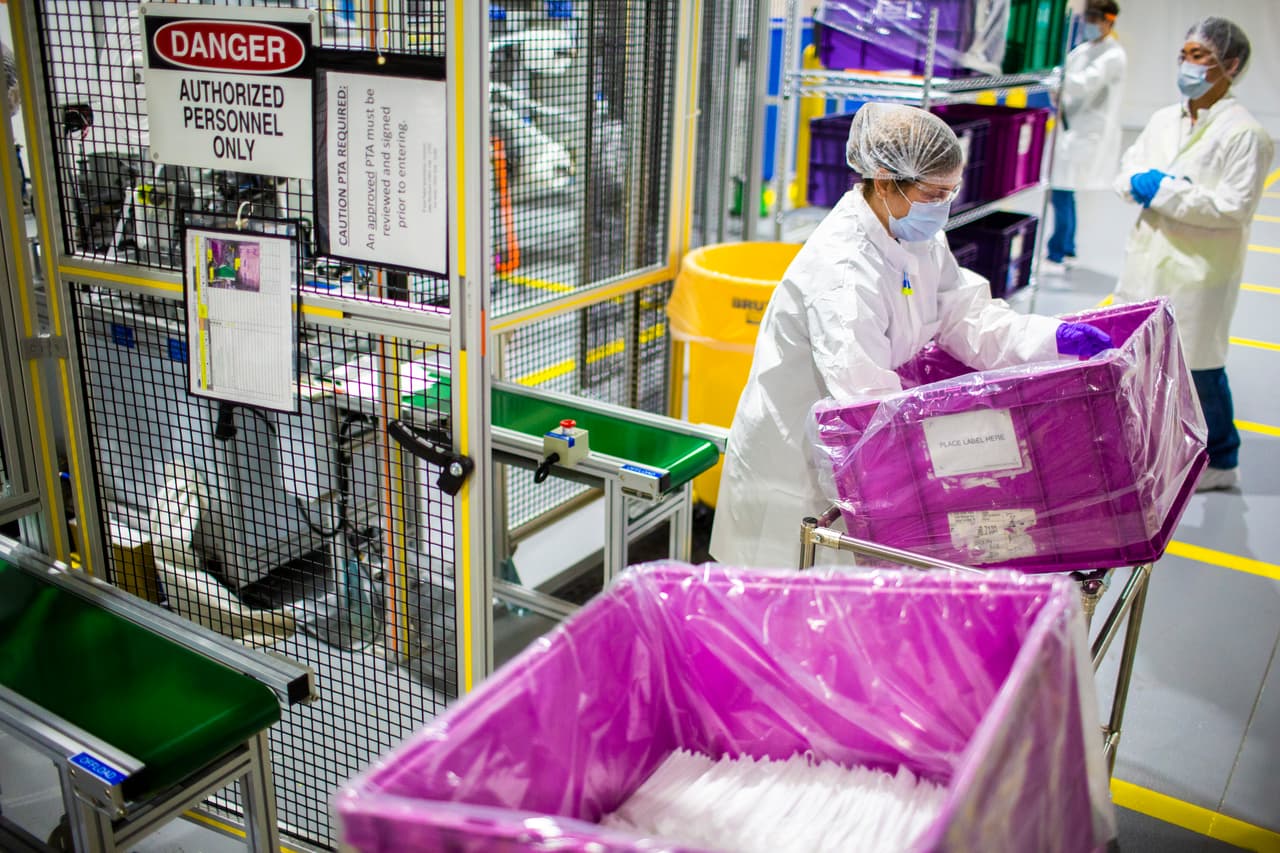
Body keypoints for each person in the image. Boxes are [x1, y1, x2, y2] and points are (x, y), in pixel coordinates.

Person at [709, 103, 1114, 568]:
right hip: (793, 466)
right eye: (935, 192)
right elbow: (865, 402)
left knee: (836, 600)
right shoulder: (843, 273)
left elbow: (965, 315)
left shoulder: (915, 234)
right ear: (884, 182)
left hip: (842, 455)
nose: (945, 206)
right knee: (784, 597)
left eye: (952, 191)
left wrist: (1052, 339)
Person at [1113, 17, 1273, 492]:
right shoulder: (1166, 118)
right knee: (1143, 359)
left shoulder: (1247, 135)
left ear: (1232, 64)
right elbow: (1128, 170)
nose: (1186, 64)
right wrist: (1142, 184)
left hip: (1200, 272)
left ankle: (1222, 458)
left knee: (1198, 366)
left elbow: (1232, 207)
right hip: (1148, 260)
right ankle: (1152, 447)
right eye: (1184, 54)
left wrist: (1163, 190)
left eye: (1199, 55)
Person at [1044, 0, 1127, 275]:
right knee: (1063, 192)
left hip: (1084, 134)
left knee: (1062, 190)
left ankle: (1057, 254)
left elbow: (1083, 84)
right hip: (1069, 129)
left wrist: (1059, 80)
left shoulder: (1113, 55)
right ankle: (1067, 249)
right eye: (1087, 17)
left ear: (1109, 20)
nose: (1089, 23)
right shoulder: (1084, 50)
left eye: (1095, 18)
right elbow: (1066, 79)